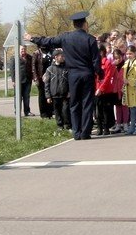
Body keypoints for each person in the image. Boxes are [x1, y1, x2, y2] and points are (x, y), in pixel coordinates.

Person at [27, 11, 102, 140]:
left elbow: (48, 41)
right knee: (87, 104)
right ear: (85, 24)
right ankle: (85, 132)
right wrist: (100, 73)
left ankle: (76, 132)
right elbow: (96, 60)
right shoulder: (90, 39)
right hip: (87, 74)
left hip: (72, 75)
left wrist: (32, 38)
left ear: (74, 25)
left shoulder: (65, 37)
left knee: (74, 103)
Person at [95, 47, 124, 135]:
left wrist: (101, 88)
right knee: (98, 110)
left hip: (106, 90)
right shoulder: (96, 63)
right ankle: (99, 128)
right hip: (97, 89)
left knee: (106, 110)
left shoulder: (107, 63)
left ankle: (106, 128)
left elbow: (107, 77)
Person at [43, 49, 71, 130]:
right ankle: (60, 125)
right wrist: (48, 96)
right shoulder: (49, 69)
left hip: (65, 94)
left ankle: (67, 125)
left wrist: (69, 91)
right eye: (61, 56)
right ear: (56, 57)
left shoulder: (66, 68)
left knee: (65, 110)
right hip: (55, 94)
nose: (63, 58)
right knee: (57, 111)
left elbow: (69, 81)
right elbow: (47, 84)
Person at [11, 45, 33, 116]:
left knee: (27, 96)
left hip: (28, 80)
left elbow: (32, 67)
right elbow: (12, 70)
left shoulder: (29, 57)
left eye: (24, 49)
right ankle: (17, 112)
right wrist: (13, 80)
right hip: (18, 81)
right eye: (22, 49)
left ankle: (27, 111)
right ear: (18, 50)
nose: (23, 50)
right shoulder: (14, 58)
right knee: (18, 97)